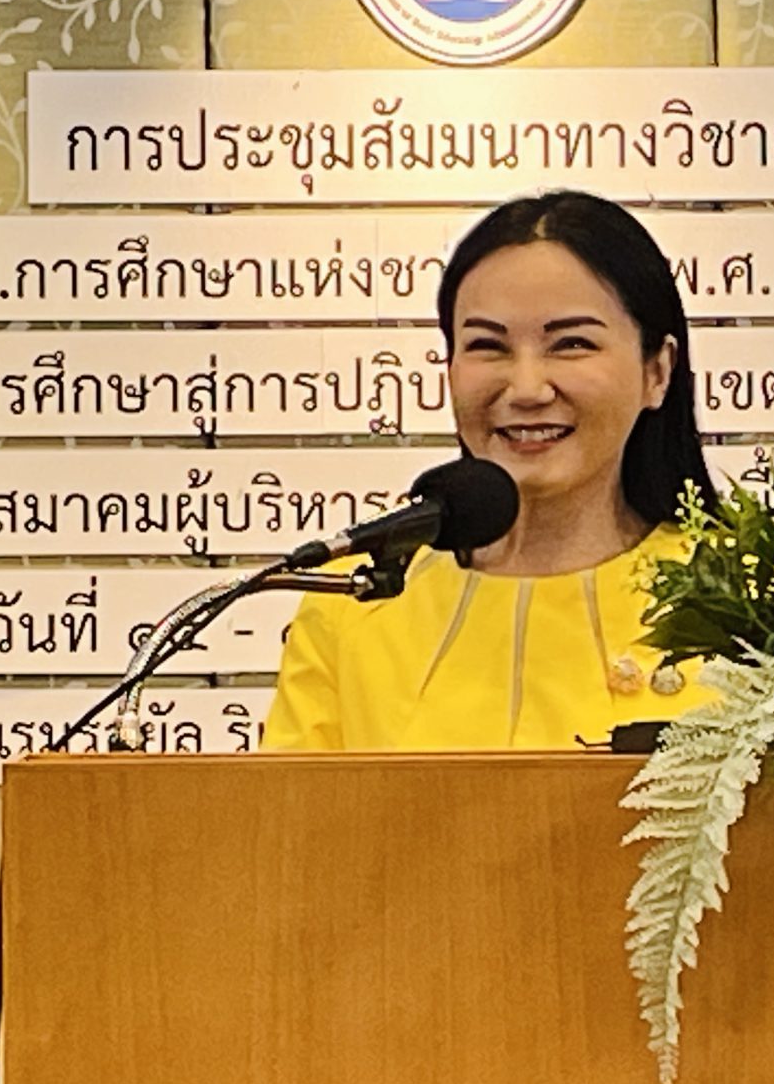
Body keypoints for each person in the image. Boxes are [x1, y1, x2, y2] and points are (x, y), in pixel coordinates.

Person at [263, 191, 720, 751]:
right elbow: (292, 807)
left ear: (657, 371)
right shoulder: (355, 605)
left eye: (571, 344)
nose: (526, 389)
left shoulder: (747, 599)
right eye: (487, 346)